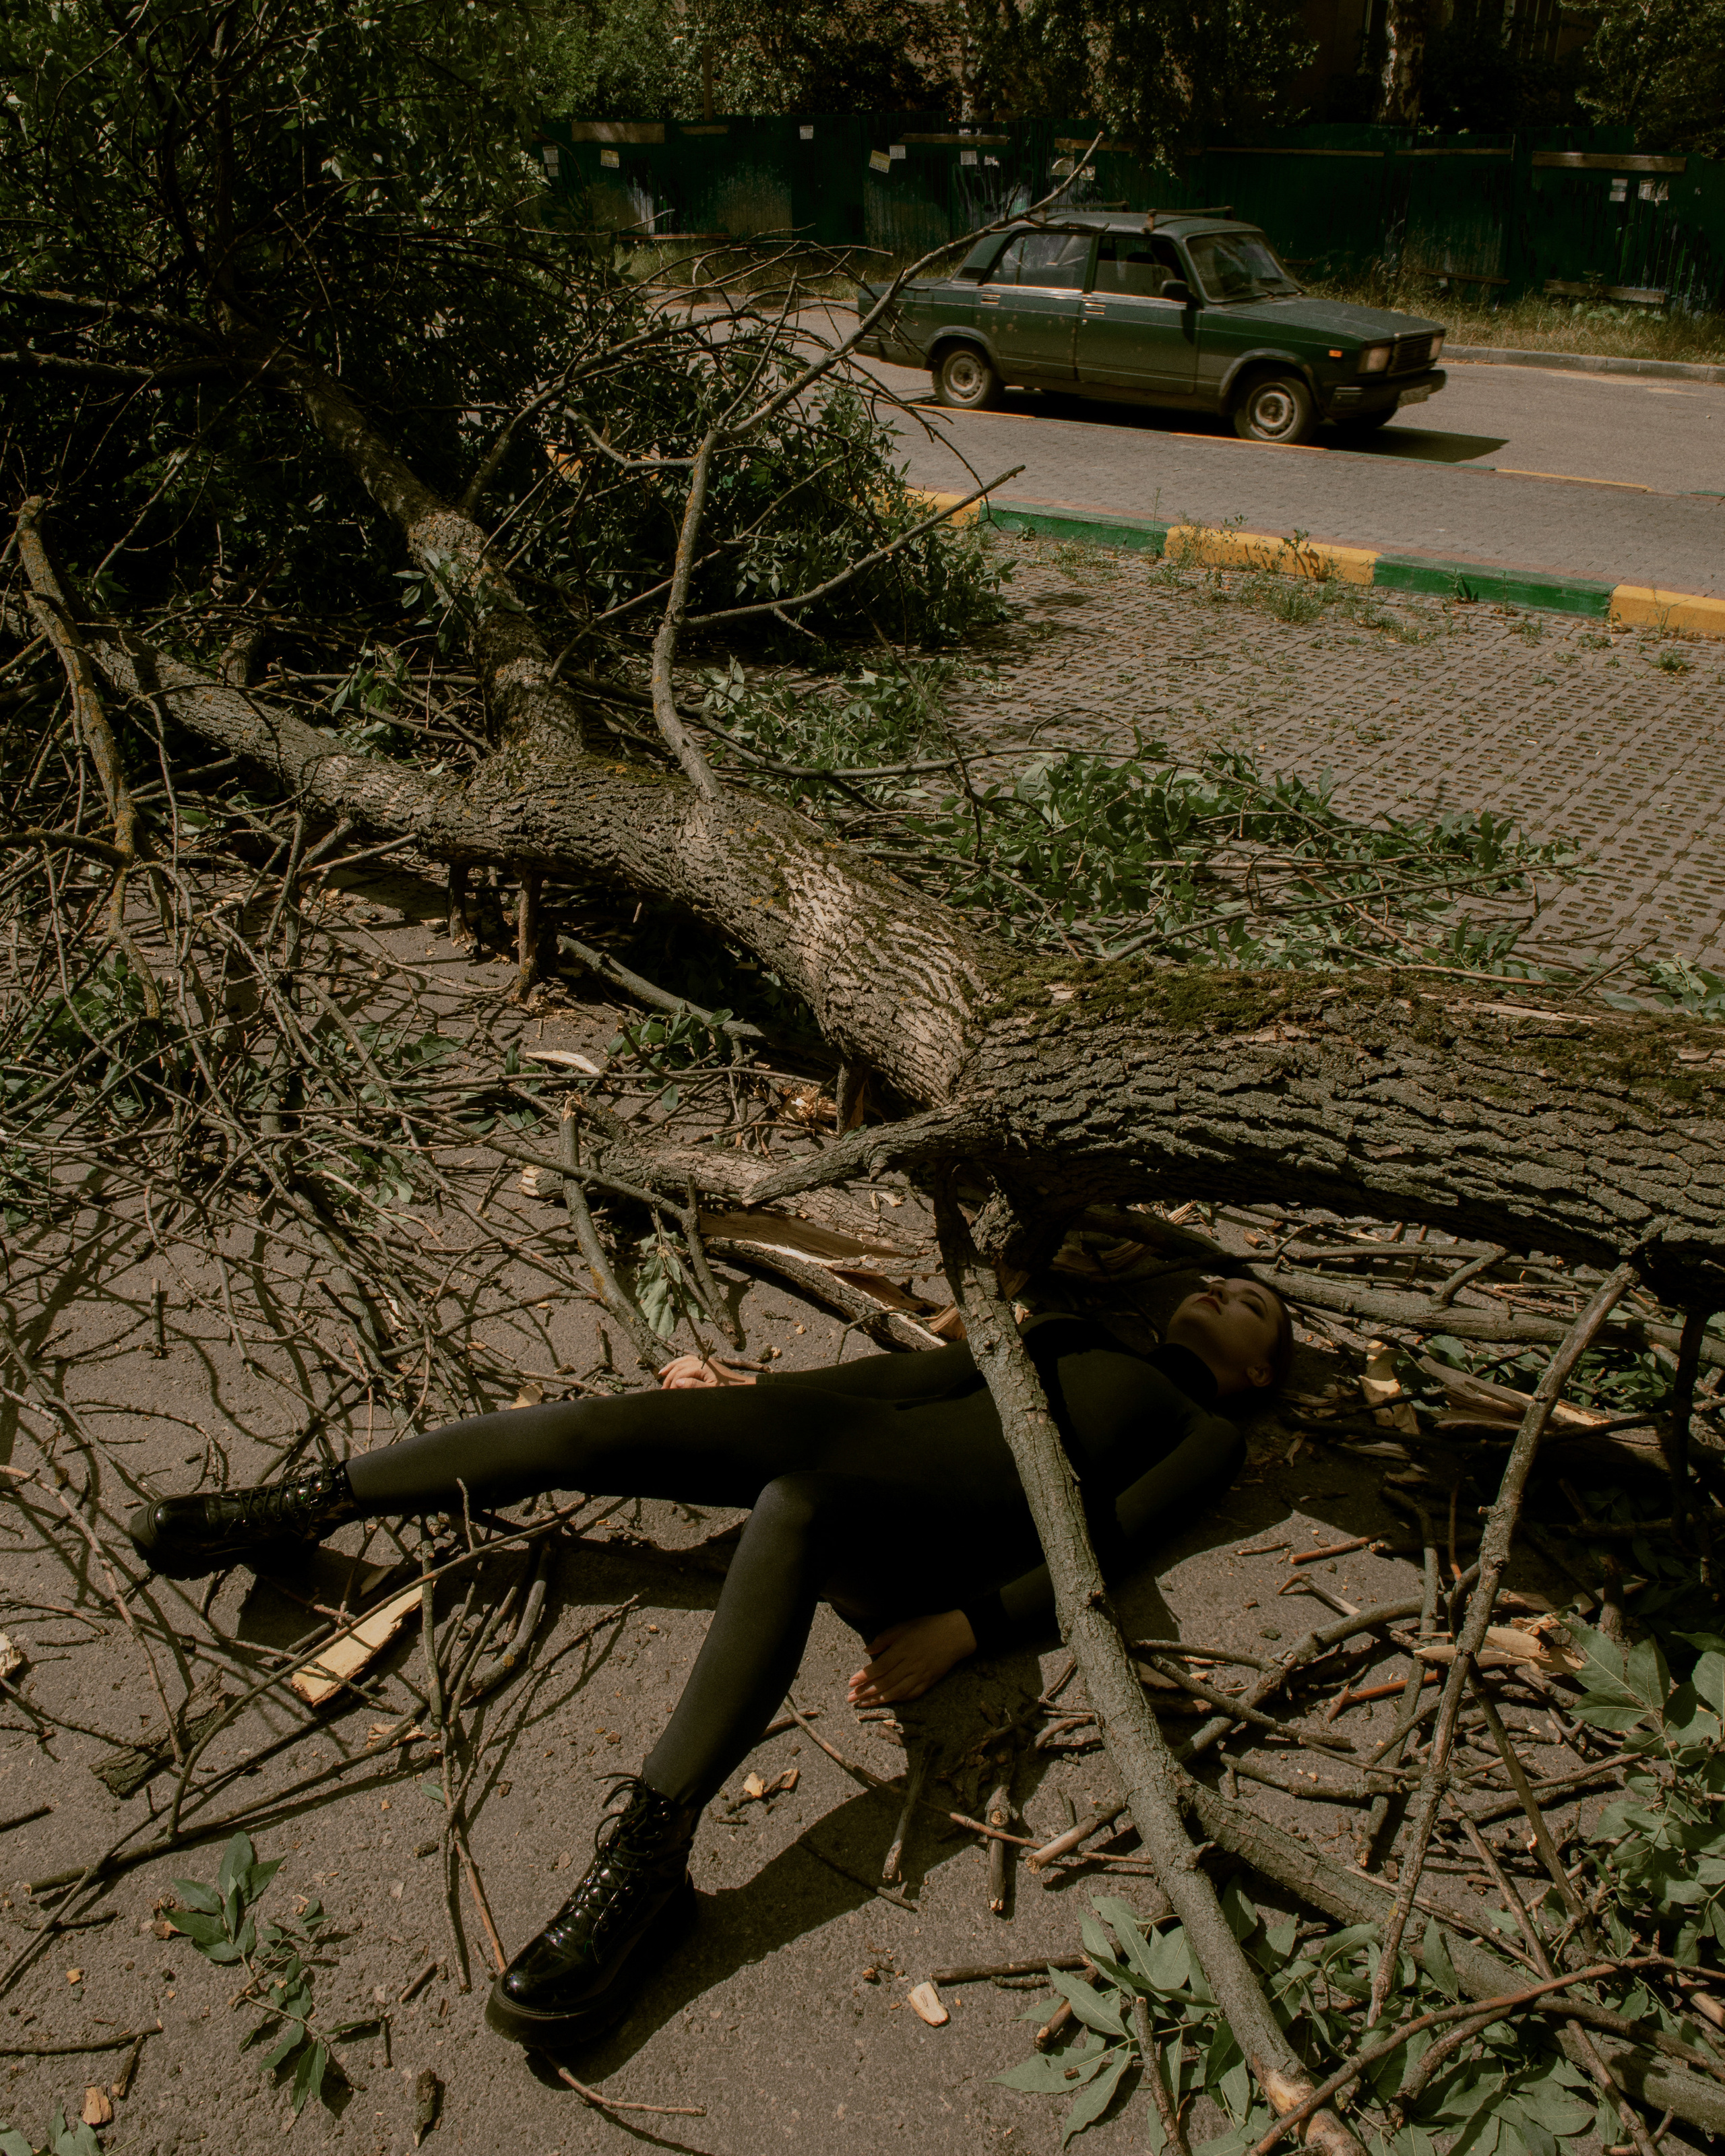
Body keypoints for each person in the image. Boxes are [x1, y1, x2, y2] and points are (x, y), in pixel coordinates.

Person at [127, 1272, 1290, 2052]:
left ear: (1254, 1374)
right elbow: (901, 1382)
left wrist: (973, 1627)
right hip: (855, 1432)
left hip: (930, 1526)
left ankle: (649, 1862)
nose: (1220, 1290)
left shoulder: (1210, 1434)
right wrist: (757, 1395)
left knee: (795, 1508)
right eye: (1216, 1277)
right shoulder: (1072, 1329)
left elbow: (1114, 1539)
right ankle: (301, 1504)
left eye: (1251, 1307)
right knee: (602, 1430)